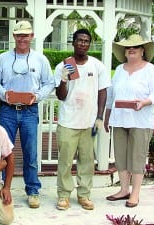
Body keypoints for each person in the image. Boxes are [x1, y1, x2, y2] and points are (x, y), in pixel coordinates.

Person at [0, 20, 55, 208]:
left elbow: (49, 82)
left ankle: (32, 190)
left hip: (29, 111)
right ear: (14, 37)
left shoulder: (40, 59)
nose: (22, 38)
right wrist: (4, 94)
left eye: (26, 35)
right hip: (7, 110)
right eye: (19, 35)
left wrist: (38, 96)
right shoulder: (3, 58)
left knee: (30, 152)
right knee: (2, 151)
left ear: (31, 36)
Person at [54, 28, 111, 210]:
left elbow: (103, 92)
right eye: (80, 40)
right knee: (65, 162)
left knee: (87, 162)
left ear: (90, 44)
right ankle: (63, 196)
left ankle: (84, 195)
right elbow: (61, 96)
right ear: (73, 42)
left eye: (86, 41)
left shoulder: (97, 66)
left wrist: (100, 117)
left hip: (89, 123)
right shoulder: (64, 65)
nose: (83, 44)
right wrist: (64, 79)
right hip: (68, 122)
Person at [104, 34, 154, 207]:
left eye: (135, 47)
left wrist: (145, 102)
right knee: (120, 156)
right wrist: (107, 116)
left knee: (137, 157)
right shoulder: (120, 69)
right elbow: (111, 94)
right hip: (119, 118)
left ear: (143, 50)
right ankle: (123, 190)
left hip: (140, 120)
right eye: (128, 47)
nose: (131, 49)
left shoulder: (150, 69)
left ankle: (135, 193)